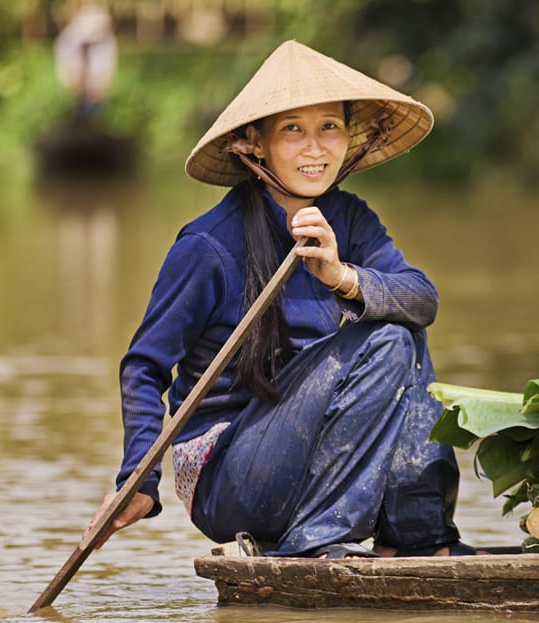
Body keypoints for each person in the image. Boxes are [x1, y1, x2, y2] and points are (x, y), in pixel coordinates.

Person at [87, 40, 472, 559]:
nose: (315, 148)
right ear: (256, 144)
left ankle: (421, 541)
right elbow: (144, 366)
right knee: (387, 340)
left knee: (402, 327)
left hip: (311, 462)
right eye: (293, 129)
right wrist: (139, 479)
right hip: (227, 475)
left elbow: (422, 298)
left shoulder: (350, 219)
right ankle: (312, 548)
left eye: (329, 127)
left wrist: (342, 277)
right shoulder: (208, 246)